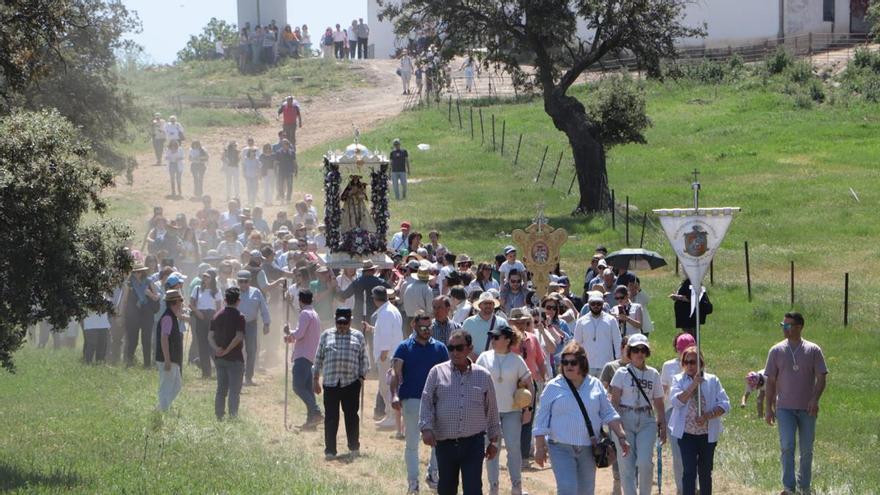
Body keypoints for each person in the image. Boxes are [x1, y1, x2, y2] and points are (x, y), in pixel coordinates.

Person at [534, 341, 631, 495]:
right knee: (568, 489)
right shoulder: (553, 386)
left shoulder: (595, 385)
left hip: (588, 448)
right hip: (560, 447)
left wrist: (621, 436)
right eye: (565, 362)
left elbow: (608, 413)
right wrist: (540, 447)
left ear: (583, 364)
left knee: (586, 491)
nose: (568, 366)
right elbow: (541, 420)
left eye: (573, 362)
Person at [419, 330, 501, 495]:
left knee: (473, 489)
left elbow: (491, 410)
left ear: (469, 348)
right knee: (446, 489)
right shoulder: (436, 372)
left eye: (459, 348)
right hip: (445, 443)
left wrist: (494, 442)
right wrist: (426, 428)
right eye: (451, 348)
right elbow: (426, 401)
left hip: (473, 444)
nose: (454, 352)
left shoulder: (483, 375)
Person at [764, 312, 827, 495]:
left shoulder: (813, 350)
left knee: (807, 450)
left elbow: (821, 378)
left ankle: (804, 487)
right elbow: (770, 381)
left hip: (807, 408)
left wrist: (814, 399)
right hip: (784, 408)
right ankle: (789, 488)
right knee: (787, 446)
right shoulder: (776, 351)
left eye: (788, 325)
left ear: (799, 327)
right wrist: (768, 408)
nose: (784, 328)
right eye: (783, 325)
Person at [390, 309, 449, 494]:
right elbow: (395, 372)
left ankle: (433, 473)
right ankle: (413, 483)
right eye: (422, 326)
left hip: (436, 400)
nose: (426, 329)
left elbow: (448, 374)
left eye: (428, 326)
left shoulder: (440, 348)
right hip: (412, 399)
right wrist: (394, 394)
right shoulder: (404, 347)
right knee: (412, 443)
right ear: (414, 325)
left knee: (438, 441)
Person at [477, 325, 532, 495]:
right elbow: (475, 380)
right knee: (492, 449)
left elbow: (528, 384)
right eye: (492, 337)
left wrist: (528, 408)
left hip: (512, 411)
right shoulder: (484, 358)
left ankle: (516, 486)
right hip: (489, 412)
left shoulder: (517, 360)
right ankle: (493, 487)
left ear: (508, 340)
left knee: (513, 448)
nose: (493, 340)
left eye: (496, 337)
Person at [610, 333, 666, 495]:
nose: (639, 354)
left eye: (643, 350)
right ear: (629, 352)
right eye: (635, 350)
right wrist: (616, 426)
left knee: (645, 463)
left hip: (646, 419)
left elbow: (659, 402)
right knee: (626, 464)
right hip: (625, 418)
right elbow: (614, 402)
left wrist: (662, 425)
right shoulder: (621, 373)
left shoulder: (653, 374)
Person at [669, 346, 730, 495]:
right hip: (686, 434)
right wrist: (693, 385)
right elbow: (676, 402)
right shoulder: (678, 380)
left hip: (707, 434)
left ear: (701, 363)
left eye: (693, 362)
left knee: (705, 472)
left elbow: (725, 404)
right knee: (689, 471)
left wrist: (707, 416)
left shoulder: (712, 380)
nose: (690, 365)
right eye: (687, 362)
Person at [313, 307, 369, 460]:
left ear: (350, 321)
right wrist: (315, 379)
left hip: (351, 383)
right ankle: (330, 450)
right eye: (339, 323)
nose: (342, 326)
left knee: (351, 417)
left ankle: (354, 447)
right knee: (331, 417)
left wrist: (361, 378)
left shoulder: (358, 336)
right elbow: (318, 358)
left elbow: (364, 360)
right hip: (331, 383)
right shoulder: (326, 335)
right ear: (335, 320)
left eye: (345, 323)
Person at [660, 332, 696, 495]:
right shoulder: (668, 366)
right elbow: (663, 391)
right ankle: (682, 489)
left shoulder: (697, 365)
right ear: (677, 349)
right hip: (672, 413)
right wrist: (660, 417)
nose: (685, 354)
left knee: (693, 454)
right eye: (682, 350)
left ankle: (692, 487)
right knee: (678, 455)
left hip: (693, 414)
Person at [283, 289, 324, 429]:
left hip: (302, 356)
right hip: (310, 355)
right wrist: (290, 337)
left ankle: (316, 412)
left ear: (300, 300)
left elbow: (299, 334)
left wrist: (290, 332)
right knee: (307, 388)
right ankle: (311, 419)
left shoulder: (305, 314)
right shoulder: (315, 314)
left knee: (298, 387)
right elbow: (304, 335)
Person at [365, 285, 403, 429]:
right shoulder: (390, 310)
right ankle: (391, 415)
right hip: (391, 355)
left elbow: (386, 336)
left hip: (388, 356)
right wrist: (372, 329)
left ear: (375, 299)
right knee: (388, 387)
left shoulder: (386, 313)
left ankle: (392, 416)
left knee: (386, 387)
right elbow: (387, 331)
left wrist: (383, 355)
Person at [209, 287, 246, 420]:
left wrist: (217, 349)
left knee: (221, 389)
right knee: (234, 391)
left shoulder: (217, 315)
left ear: (225, 300)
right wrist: (227, 350)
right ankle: (233, 416)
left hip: (219, 359)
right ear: (238, 301)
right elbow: (238, 337)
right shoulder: (240, 317)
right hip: (235, 359)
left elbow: (210, 336)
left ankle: (219, 415)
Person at [574, 292, 621, 377]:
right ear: (589, 304)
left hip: (606, 364)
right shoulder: (581, 321)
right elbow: (576, 344)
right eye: (593, 303)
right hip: (587, 365)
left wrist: (619, 361)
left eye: (599, 303)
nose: (596, 306)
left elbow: (617, 341)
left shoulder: (611, 320)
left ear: (603, 304)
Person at [236, 270, 271, 386]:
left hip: (251, 324)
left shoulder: (256, 292)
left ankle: (249, 377)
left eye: (245, 281)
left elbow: (264, 308)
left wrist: (266, 323)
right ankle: (238, 376)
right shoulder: (234, 292)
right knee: (237, 351)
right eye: (240, 281)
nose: (243, 284)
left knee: (251, 351)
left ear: (249, 281)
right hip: (237, 326)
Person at [124, 263, 160, 367]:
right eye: (135, 272)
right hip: (133, 314)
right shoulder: (129, 283)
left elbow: (157, 297)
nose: (138, 274)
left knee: (146, 340)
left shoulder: (149, 282)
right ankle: (129, 362)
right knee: (132, 340)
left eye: (140, 271)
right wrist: (122, 314)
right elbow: (125, 300)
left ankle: (147, 364)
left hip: (147, 314)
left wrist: (150, 294)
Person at [155, 289, 185, 412]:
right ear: (176, 302)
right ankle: (162, 411)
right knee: (166, 387)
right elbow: (164, 338)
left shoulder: (172, 316)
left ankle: (160, 408)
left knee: (177, 385)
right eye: (181, 300)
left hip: (172, 358)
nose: (182, 303)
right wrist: (167, 359)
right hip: (167, 358)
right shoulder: (168, 317)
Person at [190, 270, 222, 378]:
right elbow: (191, 304)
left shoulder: (216, 291)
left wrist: (215, 319)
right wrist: (197, 312)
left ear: (212, 278)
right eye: (204, 276)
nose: (205, 279)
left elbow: (219, 307)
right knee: (202, 345)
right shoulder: (197, 289)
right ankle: (206, 373)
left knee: (212, 344)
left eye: (207, 277)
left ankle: (219, 369)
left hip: (212, 317)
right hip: (200, 317)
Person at [462, 291, 507, 356]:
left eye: (490, 303)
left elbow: (506, 344)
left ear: (494, 305)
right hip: (474, 363)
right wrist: (474, 359)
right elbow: (463, 344)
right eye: (485, 303)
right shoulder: (468, 322)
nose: (488, 305)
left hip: (496, 363)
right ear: (479, 305)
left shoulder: (502, 322)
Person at [276, 139, 297, 203]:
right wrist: (276, 171)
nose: (286, 145)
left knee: (290, 185)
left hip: (289, 171)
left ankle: (288, 199)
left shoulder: (292, 152)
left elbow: (294, 162)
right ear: (282, 145)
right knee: (280, 186)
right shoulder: (278, 152)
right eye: (285, 144)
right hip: (281, 171)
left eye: (287, 144)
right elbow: (276, 162)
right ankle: (282, 198)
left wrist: (296, 170)